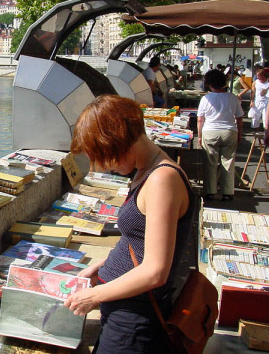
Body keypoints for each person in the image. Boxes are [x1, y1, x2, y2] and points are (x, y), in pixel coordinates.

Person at [64, 95, 194, 353]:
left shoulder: (161, 180)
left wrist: (93, 296)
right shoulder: (148, 170)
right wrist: (104, 265)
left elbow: (156, 271)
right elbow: (140, 237)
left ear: (117, 142)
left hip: (135, 319)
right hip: (125, 311)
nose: (106, 166)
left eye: (105, 156)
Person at [197, 69, 243, 201]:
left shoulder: (206, 98)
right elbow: (239, 118)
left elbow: (200, 119)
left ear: (210, 84)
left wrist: (199, 136)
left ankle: (210, 191)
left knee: (210, 162)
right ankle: (227, 192)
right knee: (228, 162)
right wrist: (239, 133)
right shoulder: (232, 98)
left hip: (210, 131)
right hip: (229, 131)